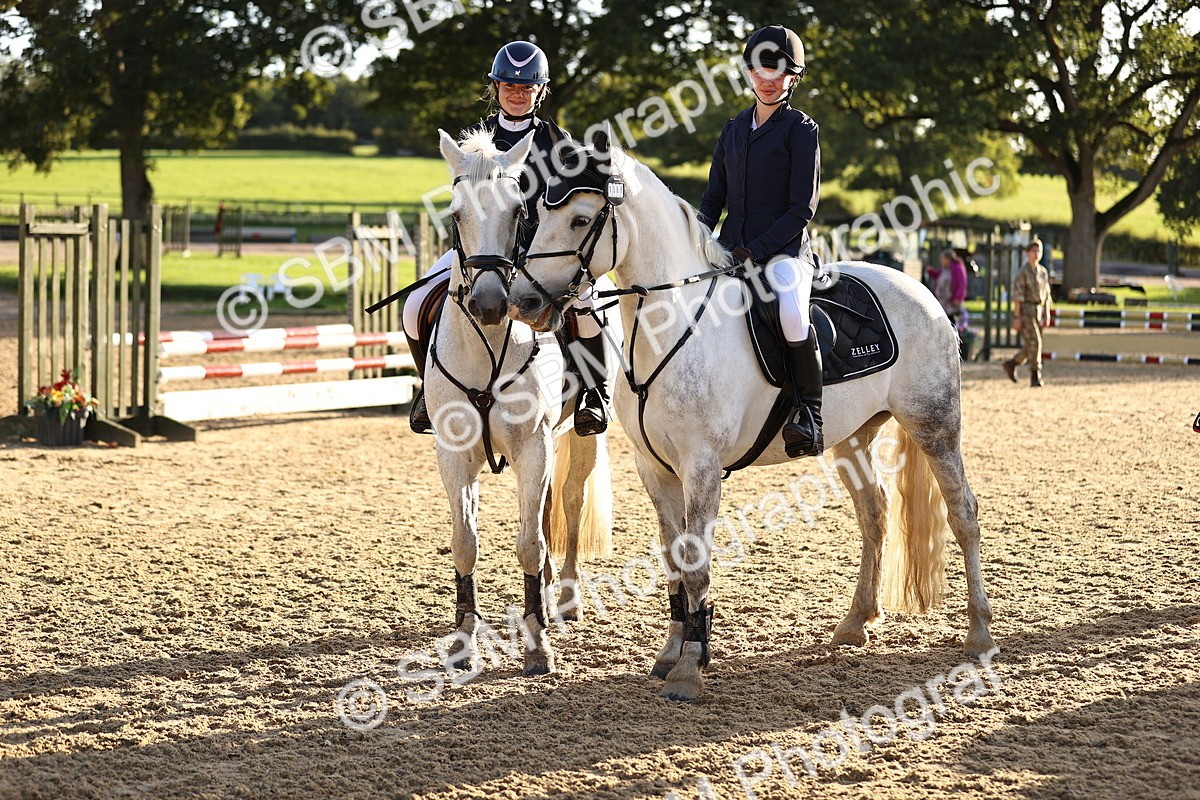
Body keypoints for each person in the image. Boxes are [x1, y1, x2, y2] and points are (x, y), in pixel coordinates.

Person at [401, 41, 611, 436]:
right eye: (509, 87)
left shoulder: (557, 143)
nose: (518, 94)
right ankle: (429, 391)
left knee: (588, 303)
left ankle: (593, 393)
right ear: (495, 87)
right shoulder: (477, 142)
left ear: (540, 91)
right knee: (414, 305)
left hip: (540, 252)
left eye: (527, 88)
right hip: (479, 253)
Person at [697, 25, 823, 458]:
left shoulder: (801, 130)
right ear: (749, 72)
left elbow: (801, 208)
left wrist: (758, 249)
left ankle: (810, 413)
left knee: (790, 312)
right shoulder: (732, 129)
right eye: (760, 70)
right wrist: (696, 237)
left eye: (779, 72)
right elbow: (714, 197)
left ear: (793, 78)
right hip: (731, 250)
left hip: (784, 253)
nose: (768, 79)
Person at [1002, 238, 1052, 386]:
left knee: (1033, 344)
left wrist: (1046, 312)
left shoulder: (1043, 272)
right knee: (1035, 342)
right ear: (1027, 253)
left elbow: (1047, 295)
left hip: (1038, 309)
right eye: (1033, 251)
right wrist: (1017, 316)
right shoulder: (1023, 273)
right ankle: (1035, 375)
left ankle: (1012, 363)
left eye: (1038, 251)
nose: (1036, 254)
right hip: (1026, 310)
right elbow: (1017, 296)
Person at [928, 249, 970, 356]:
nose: (941, 261)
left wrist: (958, 297)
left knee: (951, 324)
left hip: (952, 303)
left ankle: (953, 349)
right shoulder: (945, 269)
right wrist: (931, 272)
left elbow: (962, 284)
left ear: (948, 259)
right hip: (943, 302)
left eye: (943, 259)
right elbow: (938, 276)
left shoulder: (957, 268)